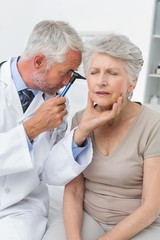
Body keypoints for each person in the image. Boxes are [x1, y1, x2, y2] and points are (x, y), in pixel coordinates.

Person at [0, 21, 122, 240]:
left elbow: (51, 172)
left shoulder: (55, 105)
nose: (68, 81)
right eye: (66, 73)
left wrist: (81, 131)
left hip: (20, 208)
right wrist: (31, 129)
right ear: (38, 61)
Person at [45, 33, 160, 240]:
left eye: (112, 73)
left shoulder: (154, 126)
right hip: (90, 217)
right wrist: (74, 238)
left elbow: (150, 208)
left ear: (132, 82)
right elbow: (73, 192)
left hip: (139, 224)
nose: (101, 81)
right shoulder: (80, 120)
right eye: (94, 72)